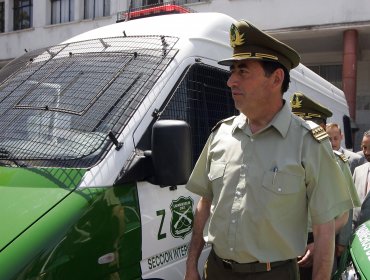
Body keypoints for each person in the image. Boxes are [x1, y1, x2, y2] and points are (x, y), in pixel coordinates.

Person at [184, 19, 353, 280]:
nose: (230, 81)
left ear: (276, 78)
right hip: (217, 270)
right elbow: (204, 203)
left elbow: (324, 230)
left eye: (242, 71)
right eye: (232, 72)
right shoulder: (221, 134)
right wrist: (191, 265)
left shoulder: (308, 143)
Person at [290, 92, 360, 279]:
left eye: (304, 125)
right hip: (284, 242)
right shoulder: (280, 157)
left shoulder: (336, 162)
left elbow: (344, 212)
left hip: (318, 238)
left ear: (321, 128)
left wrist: (322, 243)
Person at [353, 130, 370, 228]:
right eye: (364, 147)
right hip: (357, 236)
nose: (367, 152)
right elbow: (351, 207)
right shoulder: (358, 171)